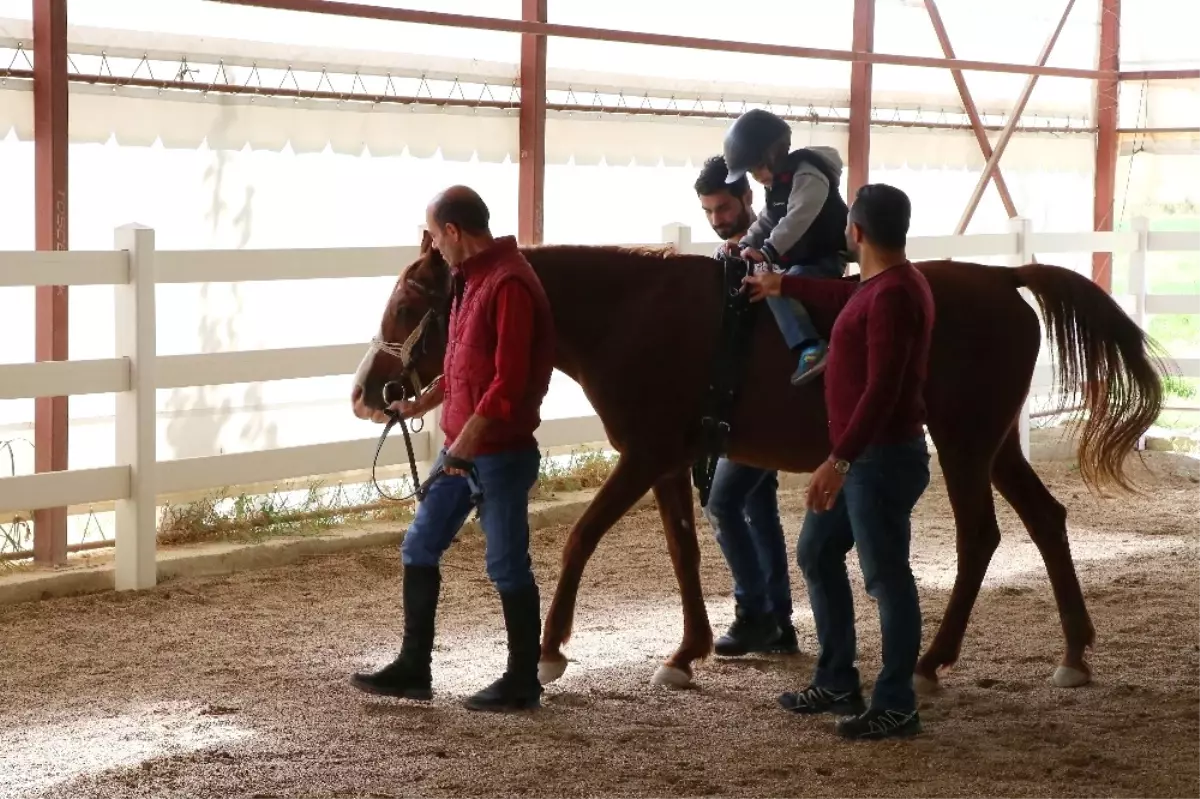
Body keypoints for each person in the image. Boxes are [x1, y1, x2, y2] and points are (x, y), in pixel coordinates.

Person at [351, 185, 556, 713]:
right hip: (461, 448)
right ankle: (414, 667)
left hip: (498, 453)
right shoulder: (470, 280)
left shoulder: (509, 284)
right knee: (419, 545)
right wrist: (424, 402)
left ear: (454, 232)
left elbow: (507, 383)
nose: (435, 249)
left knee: (508, 565)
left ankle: (521, 680)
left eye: (437, 236)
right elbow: (466, 360)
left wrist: (463, 446)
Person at [743, 183, 935, 741]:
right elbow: (842, 297)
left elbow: (883, 389)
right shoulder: (884, 285)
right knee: (818, 551)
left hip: (877, 459)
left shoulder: (894, 296)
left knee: (886, 578)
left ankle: (897, 702)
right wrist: (783, 284)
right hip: (866, 458)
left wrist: (839, 460)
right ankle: (836, 678)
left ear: (856, 232)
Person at [693, 155, 798, 656]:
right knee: (761, 506)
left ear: (747, 200)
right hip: (750, 402)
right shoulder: (731, 253)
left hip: (764, 403)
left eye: (723, 207)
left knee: (723, 503)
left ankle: (753, 611)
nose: (717, 218)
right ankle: (779, 619)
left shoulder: (766, 248)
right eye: (710, 210)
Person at [722, 108, 849, 386]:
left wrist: (767, 251)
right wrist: (744, 243)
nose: (755, 176)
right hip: (800, 258)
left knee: (777, 285)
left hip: (824, 257)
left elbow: (797, 218)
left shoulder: (808, 175)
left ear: (774, 154)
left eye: (756, 168)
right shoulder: (777, 185)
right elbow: (769, 218)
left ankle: (810, 346)